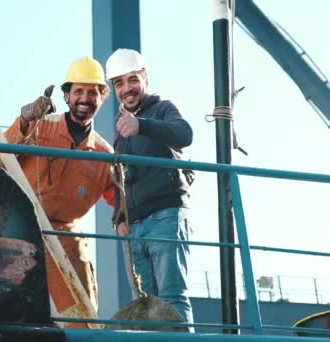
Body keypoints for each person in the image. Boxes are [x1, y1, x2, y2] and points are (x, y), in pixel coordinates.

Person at [0, 56, 115, 323]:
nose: (85, 98)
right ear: (67, 96)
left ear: (102, 97)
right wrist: (24, 120)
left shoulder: (105, 155)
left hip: (64, 232)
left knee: (84, 314)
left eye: (92, 92)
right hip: (17, 222)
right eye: (78, 91)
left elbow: (122, 203)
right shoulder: (40, 125)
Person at [105, 48, 195, 328]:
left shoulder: (162, 109)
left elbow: (185, 133)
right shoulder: (120, 130)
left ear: (145, 78)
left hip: (164, 216)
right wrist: (119, 218)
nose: (127, 88)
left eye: (132, 79)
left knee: (171, 296)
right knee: (144, 304)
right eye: (119, 83)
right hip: (134, 226)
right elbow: (122, 178)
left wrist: (141, 125)